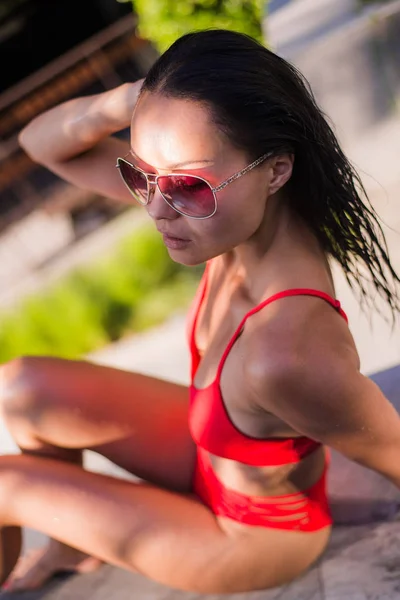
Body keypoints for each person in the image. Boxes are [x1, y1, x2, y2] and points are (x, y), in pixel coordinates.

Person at [1, 28, 400, 594]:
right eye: (142, 175)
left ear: (276, 169)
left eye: (187, 184)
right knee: (23, 387)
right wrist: (146, 97)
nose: (157, 209)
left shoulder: (289, 352)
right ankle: (72, 544)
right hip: (205, 455)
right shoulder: (228, 219)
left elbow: (394, 453)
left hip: (250, 537)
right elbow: (44, 144)